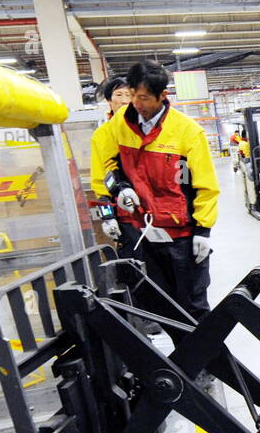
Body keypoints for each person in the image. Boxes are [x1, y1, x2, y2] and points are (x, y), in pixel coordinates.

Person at [90, 59, 219, 323]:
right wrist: (112, 203)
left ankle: (206, 363)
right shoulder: (117, 127)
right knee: (158, 306)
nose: (137, 104)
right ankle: (178, 363)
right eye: (134, 96)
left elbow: (205, 184)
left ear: (163, 96)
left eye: (145, 98)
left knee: (193, 305)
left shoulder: (187, 132)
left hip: (180, 236)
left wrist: (203, 230)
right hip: (139, 233)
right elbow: (103, 166)